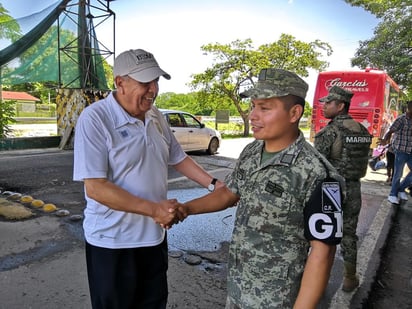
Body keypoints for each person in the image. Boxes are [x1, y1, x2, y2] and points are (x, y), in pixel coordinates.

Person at [177, 68, 344, 308]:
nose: (252, 116)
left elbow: (323, 253)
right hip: (237, 286)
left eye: (264, 108)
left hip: (277, 299)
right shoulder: (252, 152)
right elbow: (229, 192)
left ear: (294, 113)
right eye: (253, 106)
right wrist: (185, 209)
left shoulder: (319, 175)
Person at [73, 48, 223, 309]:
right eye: (145, 82)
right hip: (112, 242)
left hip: (154, 239)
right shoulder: (96, 119)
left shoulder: (156, 117)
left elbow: (178, 158)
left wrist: (214, 184)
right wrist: (154, 209)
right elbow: (96, 188)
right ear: (120, 82)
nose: (153, 89)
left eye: (156, 81)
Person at [313, 86, 372, 292]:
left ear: (340, 106)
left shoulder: (329, 132)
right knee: (348, 233)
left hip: (332, 189)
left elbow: (315, 166)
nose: (324, 106)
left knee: (324, 234)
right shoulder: (362, 131)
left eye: (329, 103)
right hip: (354, 188)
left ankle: (318, 279)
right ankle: (349, 277)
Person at [382, 100, 412, 204]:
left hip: (411, 150)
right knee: (398, 173)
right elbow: (390, 131)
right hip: (400, 150)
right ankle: (392, 194)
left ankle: (401, 189)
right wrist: (385, 140)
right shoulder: (401, 119)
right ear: (409, 108)